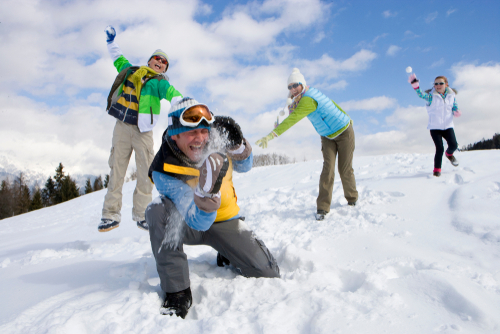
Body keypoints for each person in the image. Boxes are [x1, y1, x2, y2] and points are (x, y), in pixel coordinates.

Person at [146, 97, 280, 319]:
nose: (200, 139)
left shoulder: (217, 138)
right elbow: (199, 221)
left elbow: (245, 166)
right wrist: (206, 196)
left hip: (226, 220)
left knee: (267, 271)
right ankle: (177, 290)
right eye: (191, 133)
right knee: (157, 210)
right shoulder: (164, 168)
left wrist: (238, 144)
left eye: (203, 131)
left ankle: (226, 249)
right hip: (190, 223)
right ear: (175, 134)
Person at [99, 26, 183, 232]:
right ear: (149, 61)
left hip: (143, 132)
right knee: (116, 170)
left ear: (164, 69)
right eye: (157, 59)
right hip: (122, 127)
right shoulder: (131, 71)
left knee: (146, 172)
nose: (160, 63)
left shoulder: (159, 84)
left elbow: (175, 95)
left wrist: (188, 106)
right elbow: (118, 58)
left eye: (164, 63)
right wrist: (111, 42)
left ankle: (142, 215)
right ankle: (110, 215)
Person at [256, 68, 358, 221]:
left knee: (344, 169)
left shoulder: (308, 100)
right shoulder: (302, 98)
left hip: (344, 132)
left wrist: (272, 134)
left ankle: (352, 198)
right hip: (327, 136)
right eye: (289, 87)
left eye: (295, 85)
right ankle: (323, 208)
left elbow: (293, 119)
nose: (292, 89)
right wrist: (290, 104)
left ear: (302, 84)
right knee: (327, 170)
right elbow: (295, 111)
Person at [408, 73, 461, 177]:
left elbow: (454, 105)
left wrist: (456, 111)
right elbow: (421, 95)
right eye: (436, 83)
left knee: (453, 145)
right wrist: (416, 86)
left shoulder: (452, 95)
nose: (438, 85)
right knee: (439, 148)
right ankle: (437, 171)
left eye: (441, 83)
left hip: (448, 126)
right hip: (435, 128)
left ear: (446, 84)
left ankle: (449, 154)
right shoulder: (431, 97)